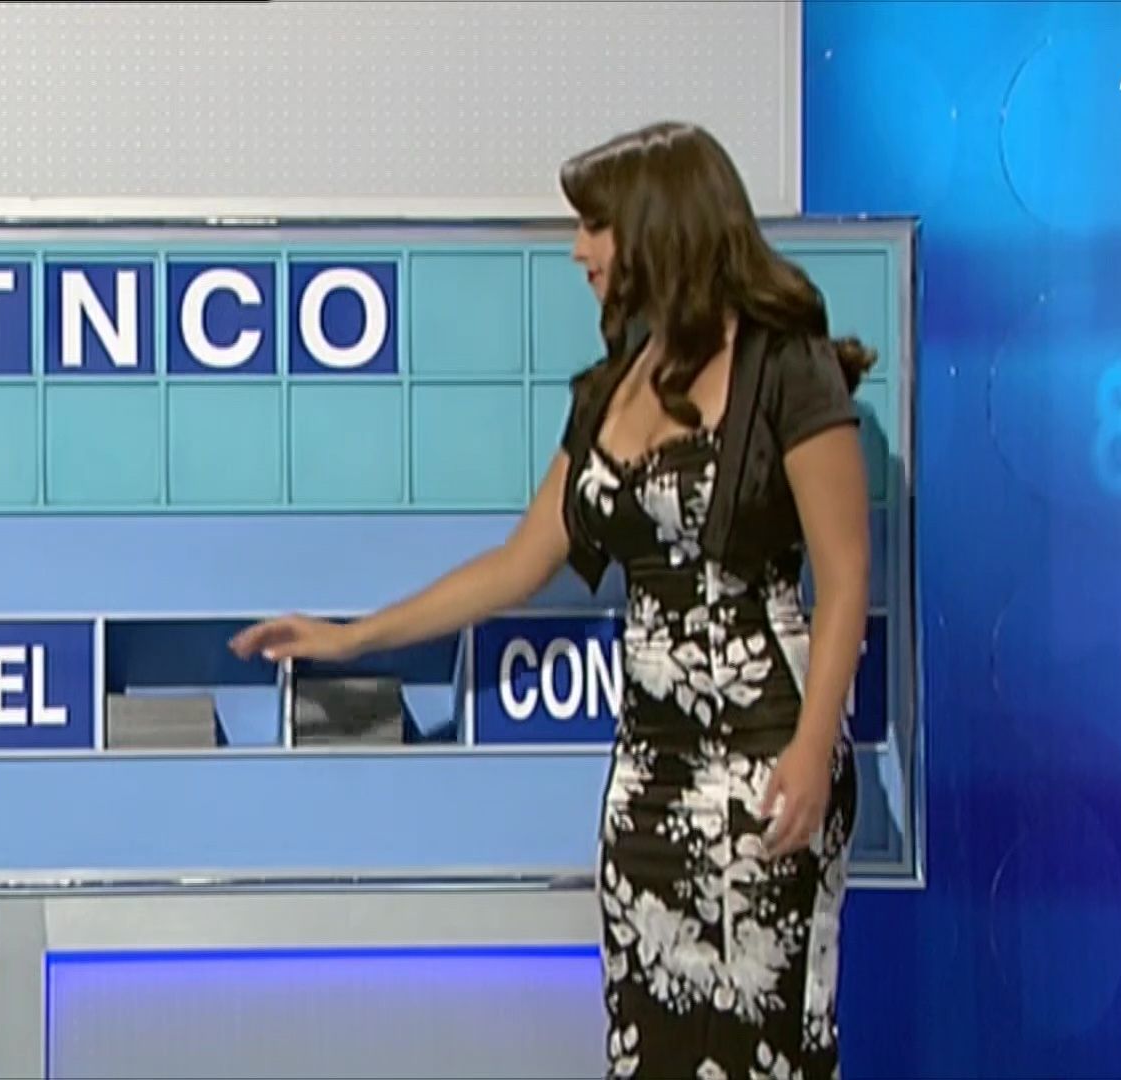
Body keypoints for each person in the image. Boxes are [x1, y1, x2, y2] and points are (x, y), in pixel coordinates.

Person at [230, 120, 873, 1080]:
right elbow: (520, 562)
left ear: (657, 225)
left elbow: (846, 571)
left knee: (767, 1049)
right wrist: (350, 637)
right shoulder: (609, 390)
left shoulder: (788, 367)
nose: (579, 251)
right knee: (649, 1047)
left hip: (767, 767)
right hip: (647, 784)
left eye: (595, 226)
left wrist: (813, 750)